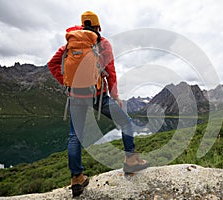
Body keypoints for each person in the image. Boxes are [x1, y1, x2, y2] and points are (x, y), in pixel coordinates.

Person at [48, 11, 149, 197]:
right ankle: (131, 160)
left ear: (81, 25)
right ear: (98, 27)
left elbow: (52, 64)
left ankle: (77, 178)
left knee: (75, 136)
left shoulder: (70, 44)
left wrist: (67, 81)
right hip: (98, 95)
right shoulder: (103, 44)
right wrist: (115, 95)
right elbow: (110, 71)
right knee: (126, 122)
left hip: (75, 95)